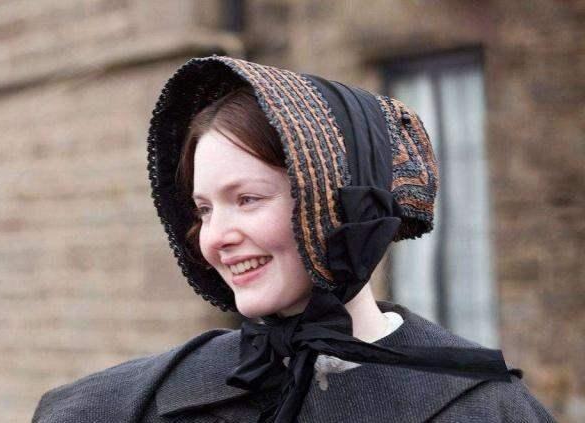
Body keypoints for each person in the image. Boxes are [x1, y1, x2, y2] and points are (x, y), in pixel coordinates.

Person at [32, 56, 556, 422]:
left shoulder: (479, 407)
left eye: (247, 199)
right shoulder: (134, 403)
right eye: (205, 209)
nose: (216, 238)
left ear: (338, 204)